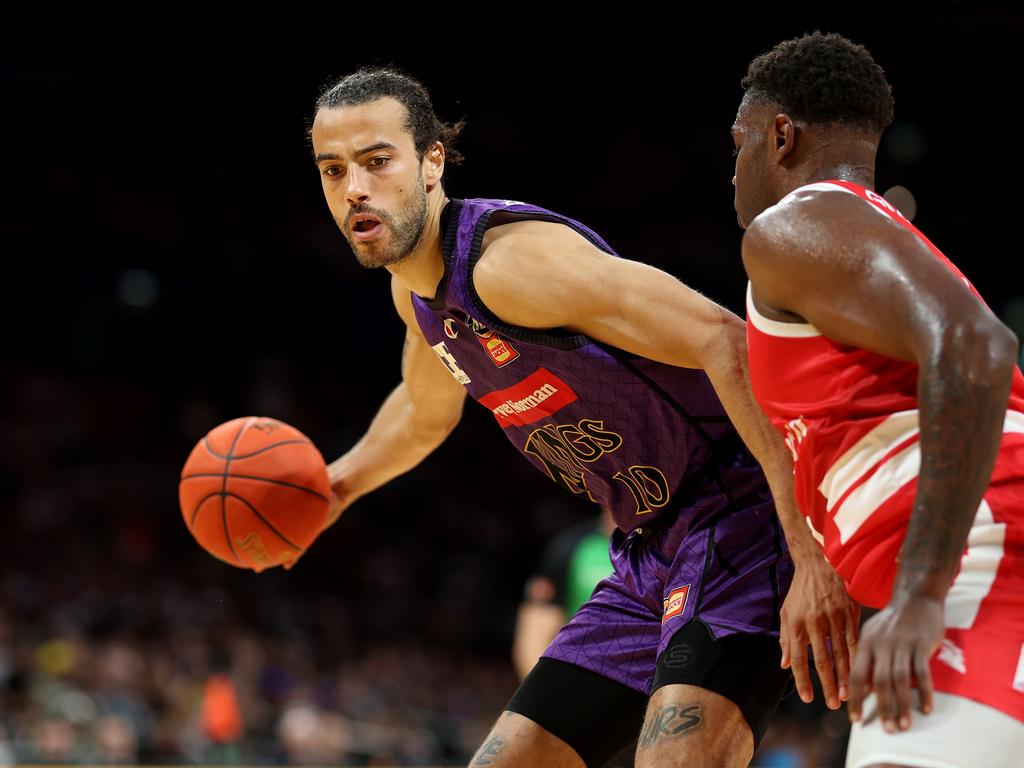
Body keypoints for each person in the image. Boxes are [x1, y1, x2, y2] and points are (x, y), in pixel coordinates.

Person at [306, 66, 853, 768]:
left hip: (742, 513)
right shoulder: (414, 300)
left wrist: (807, 546)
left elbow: (728, 342)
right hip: (648, 545)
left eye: (377, 162)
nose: (354, 188)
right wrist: (337, 486)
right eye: (332, 169)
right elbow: (421, 410)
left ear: (432, 162)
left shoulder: (509, 265)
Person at [733, 31, 1024, 768]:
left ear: (779, 136)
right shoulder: (857, 240)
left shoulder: (797, 224)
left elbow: (978, 348)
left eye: (737, 142)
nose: (731, 169)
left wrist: (923, 593)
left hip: (984, 557)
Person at [512, 507, 615, 681]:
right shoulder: (571, 547)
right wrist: (545, 692)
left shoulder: (667, 546)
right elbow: (534, 633)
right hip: (582, 675)